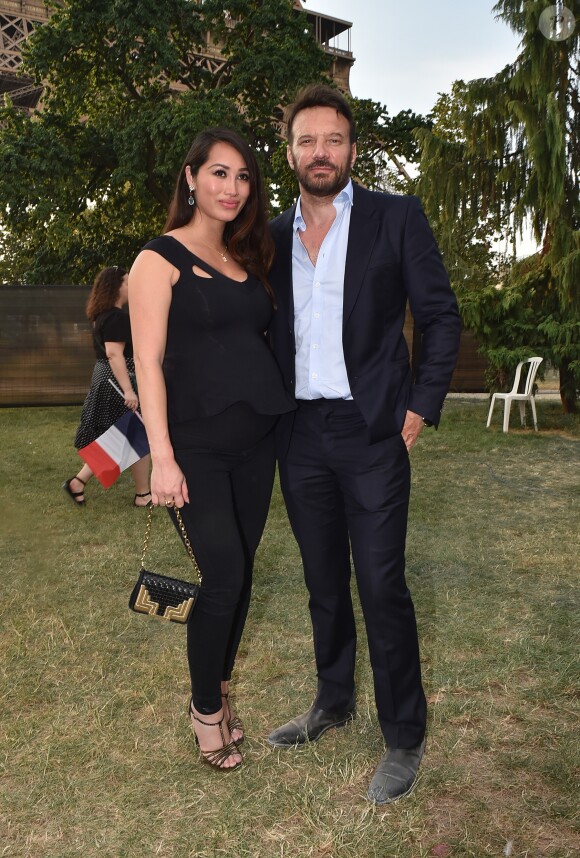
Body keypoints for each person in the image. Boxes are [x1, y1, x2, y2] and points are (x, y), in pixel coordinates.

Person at [266, 84, 462, 804]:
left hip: (373, 429)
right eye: (308, 141)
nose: (322, 153)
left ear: (353, 149)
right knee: (322, 581)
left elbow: (440, 317)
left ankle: (403, 735)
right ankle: (331, 701)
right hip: (300, 434)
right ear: (290, 153)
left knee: (381, 584)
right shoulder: (266, 234)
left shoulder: (395, 218)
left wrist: (420, 406)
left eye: (335, 140)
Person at [128, 128, 295, 771]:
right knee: (222, 576)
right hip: (195, 450)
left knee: (243, 571)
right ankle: (204, 712)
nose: (232, 188)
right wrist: (162, 457)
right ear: (191, 177)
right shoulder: (158, 259)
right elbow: (147, 362)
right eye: (219, 174)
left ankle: (222, 690)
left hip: (257, 443)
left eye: (244, 177)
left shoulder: (245, 259)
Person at [63, 266, 151, 508]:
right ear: (116, 286)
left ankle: (140, 493)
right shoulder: (115, 317)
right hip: (117, 381)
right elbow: (114, 354)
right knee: (130, 434)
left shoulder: (104, 316)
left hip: (108, 379)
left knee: (130, 434)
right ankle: (141, 494)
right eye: (128, 282)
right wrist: (129, 391)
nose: (132, 286)